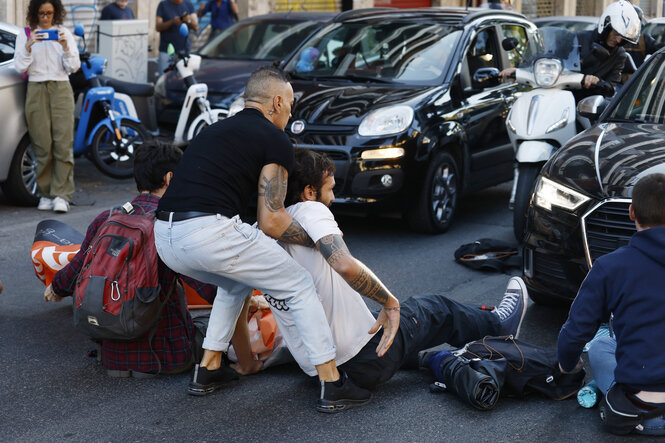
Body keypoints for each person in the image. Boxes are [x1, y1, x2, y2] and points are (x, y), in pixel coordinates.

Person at [153, 66, 385, 411]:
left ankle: (209, 368)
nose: (290, 113)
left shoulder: (215, 130)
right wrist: (319, 243)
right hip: (208, 231)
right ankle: (331, 382)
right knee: (299, 284)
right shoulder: (274, 137)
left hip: (166, 237)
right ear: (276, 102)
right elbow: (272, 220)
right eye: (290, 105)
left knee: (234, 284)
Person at [263, 148, 529, 399]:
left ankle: (432, 357)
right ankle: (498, 324)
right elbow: (344, 264)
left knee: (368, 316)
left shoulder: (260, 236)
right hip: (364, 361)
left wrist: (246, 363)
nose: (332, 198)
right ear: (309, 192)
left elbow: (234, 295)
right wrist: (389, 302)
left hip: (318, 373)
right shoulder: (311, 209)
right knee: (433, 310)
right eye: (330, 190)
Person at [44, 140, 218, 377]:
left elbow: (75, 270)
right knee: (209, 322)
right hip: (167, 357)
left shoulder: (108, 218)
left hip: (112, 357)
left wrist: (55, 288)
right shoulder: (171, 224)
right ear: (169, 178)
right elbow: (211, 291)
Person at [557, 173, 665, 436]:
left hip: (641, 411)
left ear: (631, 212)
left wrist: (567, 364)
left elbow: (576, 332)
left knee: (602, 345)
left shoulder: (610, 267)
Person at [13, 0, 80, 214]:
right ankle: (45, 193)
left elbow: (74, 67)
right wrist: (28, 46)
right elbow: (19, 67)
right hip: (36, 87)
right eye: (41, 13)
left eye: (49, 13)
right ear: (35, 13)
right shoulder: (25, 34)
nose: (45, 17)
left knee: (63, 142)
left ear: (56, 13)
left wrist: (66, 47)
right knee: (41, 143)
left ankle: (61, 195)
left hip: (60, 87)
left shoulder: (64, 34)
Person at [500, 0, 639, 101]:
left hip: (587, 105)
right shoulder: (577, 38)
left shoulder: (620, 55)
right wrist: (519, 70)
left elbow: (611, 88)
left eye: (624, 38)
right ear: (606, 25)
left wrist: (597, 82)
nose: (619, 41)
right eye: (616, 34)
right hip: (558, 95)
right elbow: (547, 57)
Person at [155, 0, 198, 76]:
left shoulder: (189, 4)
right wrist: (172, 22)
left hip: (184, 51)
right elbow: (158, 27)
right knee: (164, 78)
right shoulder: (163, 5)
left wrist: (188, 20)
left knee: (183, 79)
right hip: (166, 51)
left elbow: (196, 27)